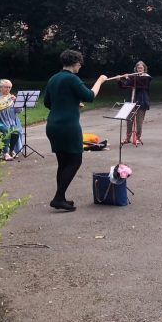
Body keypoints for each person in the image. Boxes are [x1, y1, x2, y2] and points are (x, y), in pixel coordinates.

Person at [44, 50, 107, 211]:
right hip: (68, 126)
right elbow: (90, 96)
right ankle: (58, 198)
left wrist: (72, 103)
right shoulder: (72, 78)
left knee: (63, 163)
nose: (80, 66)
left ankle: (61, 197)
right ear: (75, 62)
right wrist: (100, 80)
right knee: (75, 161)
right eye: (80, 63)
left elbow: (47, 103)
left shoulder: (53, 78)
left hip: (52, 125)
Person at [117, 61, 151, 144]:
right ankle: (127, 138)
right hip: (130, 102)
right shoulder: (133, 77)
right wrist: (119, 80)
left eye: (141, 68)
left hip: (141, 102)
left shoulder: (147, 77)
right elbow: (124, 86)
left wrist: (128, 77)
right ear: (136, 69)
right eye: (138, 68)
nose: (139, 69)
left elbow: (141, 84)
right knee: (129, 121)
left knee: (139, 122)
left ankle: (137, 138)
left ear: (144, 69)